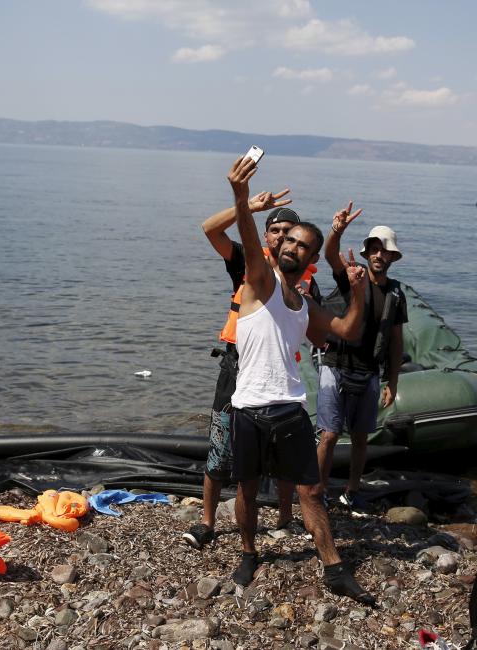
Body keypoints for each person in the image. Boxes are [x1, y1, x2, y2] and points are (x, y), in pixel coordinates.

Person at [225, 155, 375, 604]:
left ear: (310, 257)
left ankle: (333, 567)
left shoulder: (303, 303)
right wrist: (239, 196)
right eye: (287, 240)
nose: (291, 247)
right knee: (248, 491)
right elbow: (250, 241)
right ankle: (249, 552)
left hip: (289, 406)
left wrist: (360, 293)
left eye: (302, 245)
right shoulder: (259, 280)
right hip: (248, 407)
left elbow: (347, 331)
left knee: (311, 489)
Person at [182, 191, 320, 549]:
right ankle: (207, 522)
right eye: (274, 229)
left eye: (288, 232)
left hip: (278, 379)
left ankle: (286, 518)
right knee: (219, 445)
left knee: (285, 454)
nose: (280, 237)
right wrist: (247, 206)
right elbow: (210, 229)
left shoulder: (303, 279)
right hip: (236, 370)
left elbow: (315, 326)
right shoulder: (246, 259)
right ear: (266, 235)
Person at [316, 206, 407, 509]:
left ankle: (351, 490)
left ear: (393, 257)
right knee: (329, 434)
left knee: (359, 437)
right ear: (368, 252)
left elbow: (395, 342)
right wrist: (337, 230)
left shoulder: (396, 294)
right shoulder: (352, 277)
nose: (380, 255)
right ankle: (318, 491)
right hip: (336, 366)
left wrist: (390, 382)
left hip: (368, 371)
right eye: (375, 249)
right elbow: (331, 255)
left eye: (386, 251)